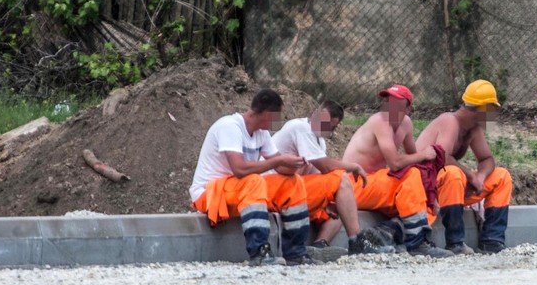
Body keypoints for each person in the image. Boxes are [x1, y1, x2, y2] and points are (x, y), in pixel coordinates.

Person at [188, 89, 316, 266]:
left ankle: (296, 252)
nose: (278, 122)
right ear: (266, 114)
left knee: (294, 183)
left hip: (239, 190)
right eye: (276, 117)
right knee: (254, 180)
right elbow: (239, 169)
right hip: (210, 194)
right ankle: (259, 252)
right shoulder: (230, 126)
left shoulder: (261, 133)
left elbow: (278, 165)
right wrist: (279, 161)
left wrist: (295, 164)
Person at [270, 100, 393, 257]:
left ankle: (320, 245)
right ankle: (357, 242)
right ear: (315, 114)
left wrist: (326, 201)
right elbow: (325, 167)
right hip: (275, 188)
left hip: (293, 189)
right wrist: (352, 166)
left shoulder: (319, 142)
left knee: (343, 204)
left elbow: (316, 176)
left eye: (328, 126)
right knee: (340, 179)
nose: (323, 127)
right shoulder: (301, 128)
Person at [342, 85, 453, 258]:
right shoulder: (380, 121)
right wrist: (424, 154)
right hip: (353, 186)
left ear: (408, 108)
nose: (389, 103)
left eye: (395, 100)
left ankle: (385, 234)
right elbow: (395, 163)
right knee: (412, 176)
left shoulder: (406, 124)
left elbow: (412, 158)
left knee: (424, 196)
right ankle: (417, 243)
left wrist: (430, 192)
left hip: (375, 184)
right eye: (387, 99)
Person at [415, 79, 514, 254]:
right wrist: (470, 176)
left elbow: (487, 159)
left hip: (449, 187)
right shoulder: (449, 120)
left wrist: (480, 178)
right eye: (491, 109)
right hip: (424, 187)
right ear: (481, 108)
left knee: (501, 176)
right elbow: (442, 157)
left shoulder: (473, 129)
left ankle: (492, 240)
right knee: (453, 173)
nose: (492, 114)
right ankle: (455, 242)